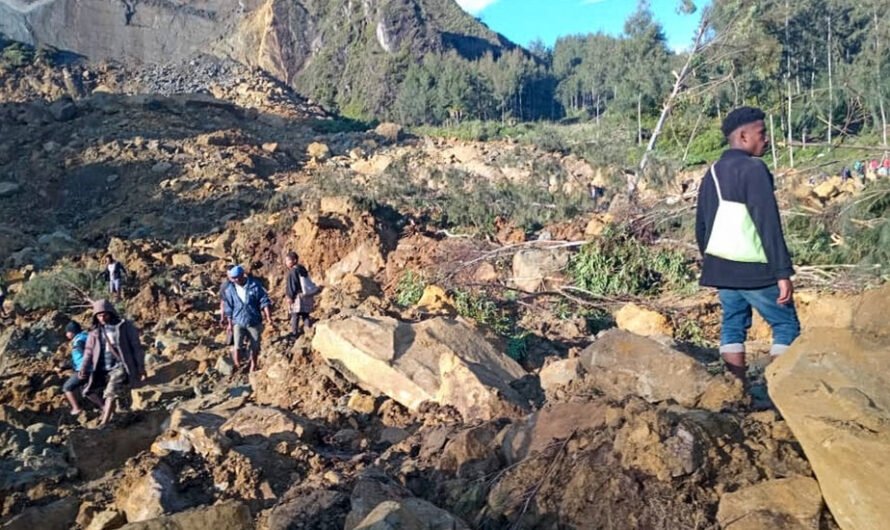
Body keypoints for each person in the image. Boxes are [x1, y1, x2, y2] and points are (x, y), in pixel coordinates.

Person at [695, 106, 801, 385]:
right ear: (743, 136)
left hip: (721, 266)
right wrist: (782, 272)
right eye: (761, 133)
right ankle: (779, 390)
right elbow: (767, 222)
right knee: (785, 324)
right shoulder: (754, 169)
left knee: (732, 325)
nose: (766, 139)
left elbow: (702, 225)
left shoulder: (713, 172)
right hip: (756, 268)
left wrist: (713, 261)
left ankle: (736, 389)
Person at [80, 299, 146, 426]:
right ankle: (111, 412)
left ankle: (104, 422)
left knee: (111, 391)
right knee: (88, 391)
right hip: (102, 367)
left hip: (120, 365)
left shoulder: (124, 326)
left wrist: (140, 367)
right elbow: (88, 351)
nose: (102, 318)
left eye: (105, 314)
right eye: (99, 315)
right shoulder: (95, 332)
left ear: (111, 313)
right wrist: (83, 367)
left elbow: (136, 347)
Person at [222, 265, 272, 372]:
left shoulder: (255, 286)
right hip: (238, 321)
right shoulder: (230, 290)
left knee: (255, 346)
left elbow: (264, 301)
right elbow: (228, 308)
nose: (236, 280)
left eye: (237, 277)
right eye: (233, 278)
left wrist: (268, 317)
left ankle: (253, 364)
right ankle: (237, 364)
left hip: (254, 320)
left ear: (242, 275)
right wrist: (229, 324)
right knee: (237, 345)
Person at [62, 321, 102, 414]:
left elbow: (86, 355)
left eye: (67, 332)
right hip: (92, 368)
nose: (66, 334)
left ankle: (76, 408)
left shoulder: (79, 341)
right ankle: (104, 407)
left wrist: (83, 369)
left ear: (72, 332)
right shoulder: (85, 337)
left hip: (84, 370)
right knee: (87, 390)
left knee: (67, 387)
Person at [284, 252, 315, 338]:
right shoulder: (302, 268)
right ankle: (308, 332)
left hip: (298, 296)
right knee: (305, 314)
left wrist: (290, 297)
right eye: (286, 260)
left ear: (294, 260)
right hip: (306, 294)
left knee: (295, 315)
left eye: (288, 260)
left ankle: (294, 334)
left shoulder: (292, 271)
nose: (286, 262)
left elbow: (292, 285)